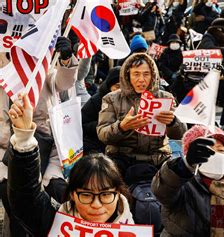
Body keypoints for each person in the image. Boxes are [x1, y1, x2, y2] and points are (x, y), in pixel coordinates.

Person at [6, 93, 133, 236]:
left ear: (117, 193)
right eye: (86, 195)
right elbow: (27, 198)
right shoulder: (55, 222)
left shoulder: (133, 230)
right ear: (72, 194)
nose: (96, 205)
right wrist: (24, 138)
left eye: (105, 194)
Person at [97, 53, 186, 175]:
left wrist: (172, 122)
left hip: (158, 158)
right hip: (122, 159)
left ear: (153, 76)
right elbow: (102, 134)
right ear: (128, 75)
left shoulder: (166, 98)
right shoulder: (111, 99)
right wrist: (122, 127)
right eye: (136, 74)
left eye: (146, 74)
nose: (141, 79)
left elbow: (180, 133)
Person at [152, 125, 224, 236]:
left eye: (221, 150)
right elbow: (162, 190)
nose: (216, 154)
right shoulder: (182, 183)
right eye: (208, 150)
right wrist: (184, 165)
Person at [82, 66, 121, 155]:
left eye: (124, 86)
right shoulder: (96, 100)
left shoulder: (128, 101)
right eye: (117, 86)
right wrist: (103, 126)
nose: (120, 90)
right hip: (96, 143)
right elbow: (83, 123)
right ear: (109, 85)